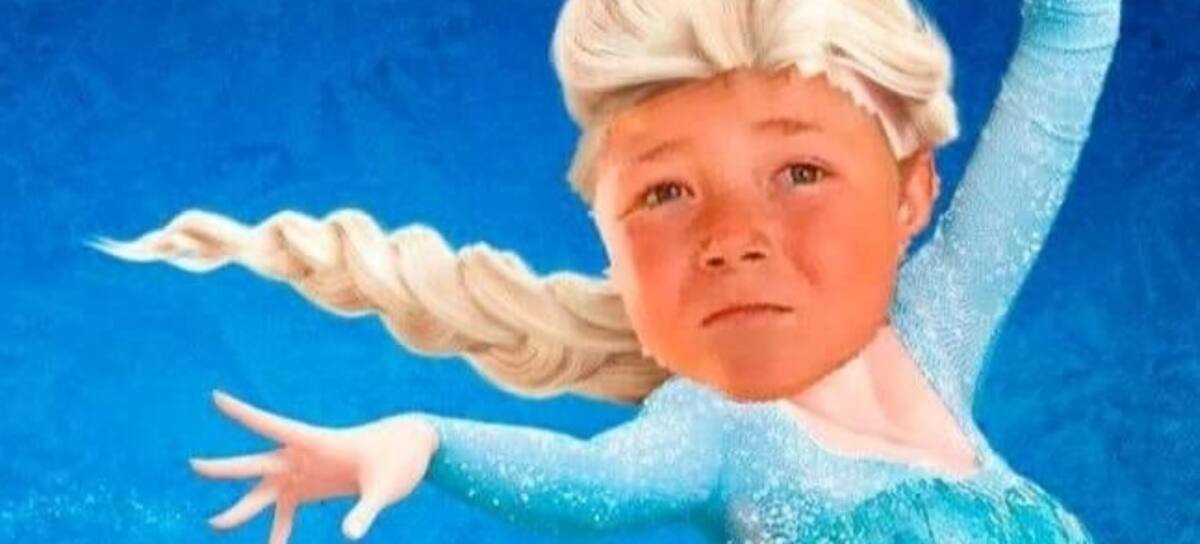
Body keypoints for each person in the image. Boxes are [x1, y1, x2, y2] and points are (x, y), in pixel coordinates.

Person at [93, 0, 1122, 541]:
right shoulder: (724, 428)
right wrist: (425, 441)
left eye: (799, 172)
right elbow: (590, 482)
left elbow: (1074, 33)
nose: (734, 237)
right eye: (668, 193)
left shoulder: (938, 329)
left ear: (910, 192)